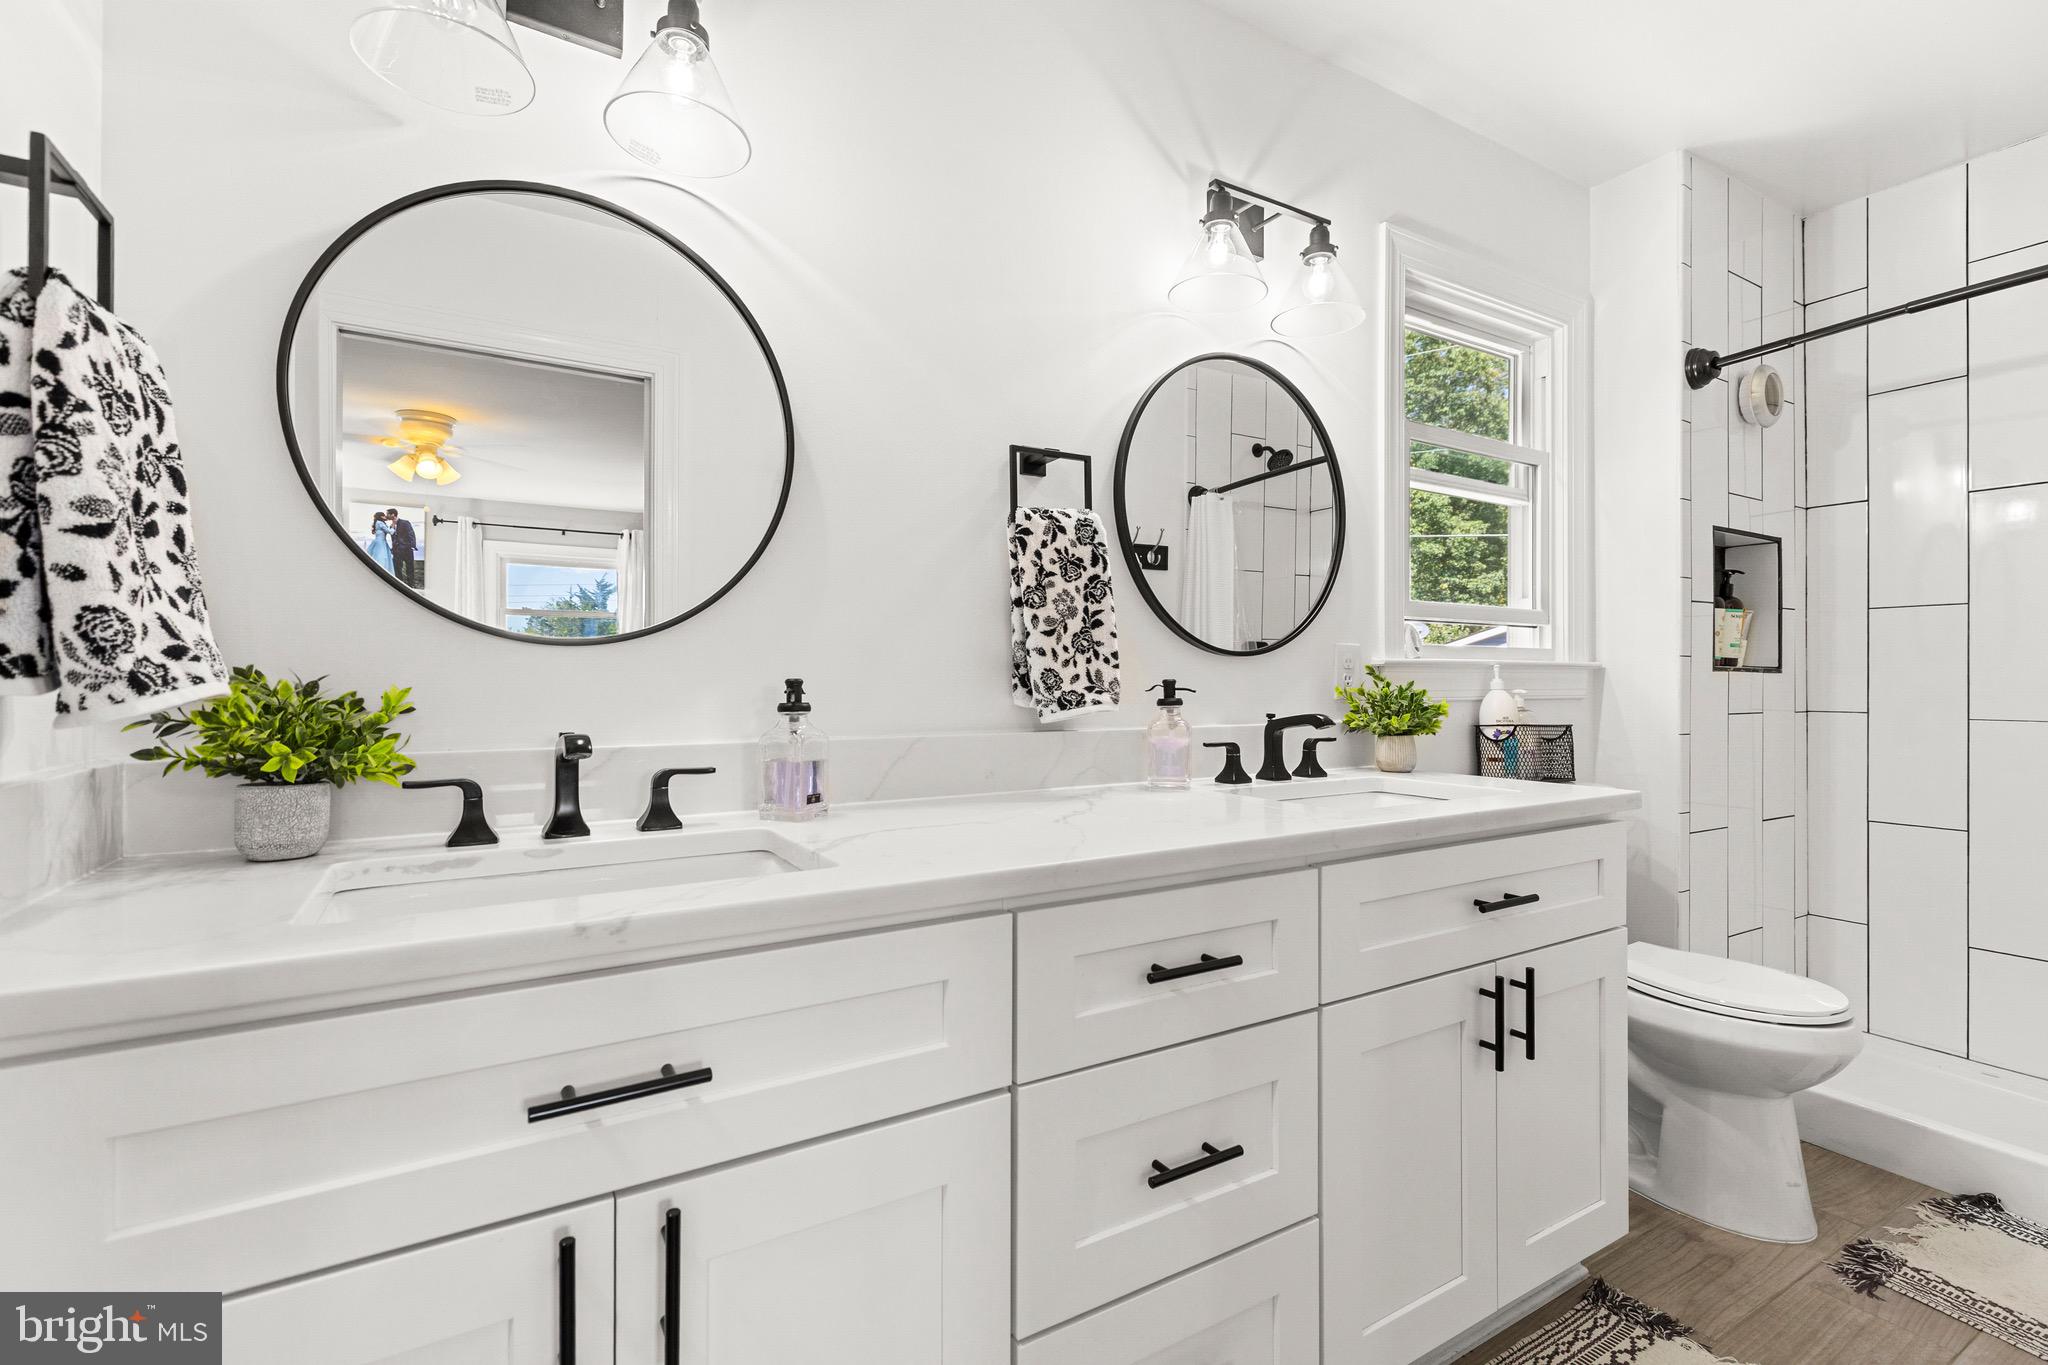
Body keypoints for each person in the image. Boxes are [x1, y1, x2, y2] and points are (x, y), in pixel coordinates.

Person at [386, 508, 419, 587]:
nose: (386, 516)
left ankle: (411, 585)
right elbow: (393, 538)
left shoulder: (405, 523)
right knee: (397, 569)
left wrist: (412, 545)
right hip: (396, 551)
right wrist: (393, 549)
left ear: (393, 514)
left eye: (387, 514)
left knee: (410, 568)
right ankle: (400, 586)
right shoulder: (391, 526)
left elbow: (411, 534)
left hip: (407, 549)